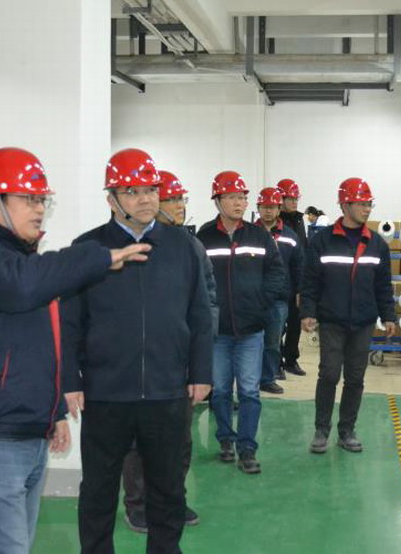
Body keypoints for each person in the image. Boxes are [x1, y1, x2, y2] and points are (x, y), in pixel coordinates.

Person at [0, 147, 150, 554]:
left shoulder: (24, 261)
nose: (39, 209)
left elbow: (38, 345)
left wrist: (53, 413)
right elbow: (24, 285)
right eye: (29, 199)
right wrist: (97, 256)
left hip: (27, 428)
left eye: (42, 200)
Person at [62, 149, 213, 554]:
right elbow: (70, 321)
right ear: (111, 199)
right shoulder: (88, 248)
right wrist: (69, 380)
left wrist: (201, 372)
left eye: (151, 190)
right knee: (98, 489)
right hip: (106, 393)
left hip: (167, 390)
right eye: (132, 191)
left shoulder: (183, 246)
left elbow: (200, 313)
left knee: (168, 488)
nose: (146, 199)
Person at [120, 168, 218, 534]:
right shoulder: (126, 245)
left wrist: (200, 345)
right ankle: (138, 506)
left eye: (181, 199)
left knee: (179, 438)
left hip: (179, 361)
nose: (179, 206)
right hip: (137, 364)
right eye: (173, 198)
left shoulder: (189, 247)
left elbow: (208, 299)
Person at [197, 171, 285, 474]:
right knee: (221, 390)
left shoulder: (259, 236)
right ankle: (225, 438)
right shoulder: (204, 238)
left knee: (249, 391)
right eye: (232, 197)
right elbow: (196, 280)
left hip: (251, 330)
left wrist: (261, 303)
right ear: (218, 201)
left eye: (242, 197)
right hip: (218, 332)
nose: (239, 202)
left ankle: (247, 448)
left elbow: (276, 272)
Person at [300, 178, 395, 454]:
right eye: (362, 203)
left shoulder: (377, 244)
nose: (367, 209)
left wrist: (389, 315)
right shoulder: (322, 241)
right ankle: (321, 430)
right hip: (332, 319)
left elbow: (383, 285)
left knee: (355, 378)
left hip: (363, 322)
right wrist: (308, 311)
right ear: (345, 205)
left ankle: (347, 430)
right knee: (329, 374)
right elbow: (310, 280)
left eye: (369, 204)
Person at [255, 187, 303, 395]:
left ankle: (267, 378)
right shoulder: (249, 233)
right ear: (258, 208)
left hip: (279, 299)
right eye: (264, 207)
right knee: (251, 342)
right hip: (253, 298)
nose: (268, 211)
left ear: (278, 208)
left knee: (273, 342)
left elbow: (298, 265)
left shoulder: (290, 236)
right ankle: (250, 379)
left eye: (272, 207)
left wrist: (299, 291)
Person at [277, 178, 308, 376]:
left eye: (296, 198)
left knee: (295, 324)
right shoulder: (275, 222)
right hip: (279, 283)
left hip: (297, 281)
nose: (295, 202)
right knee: (277, 326)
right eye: (291, 198)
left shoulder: (299, 220)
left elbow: (303, 251)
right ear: (281, 199)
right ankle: (276, 362)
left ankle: (291, 360)